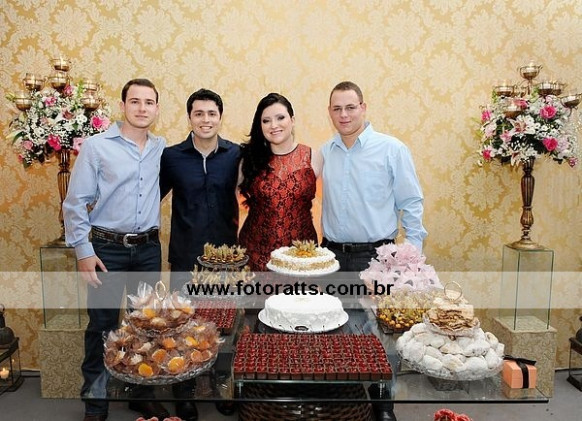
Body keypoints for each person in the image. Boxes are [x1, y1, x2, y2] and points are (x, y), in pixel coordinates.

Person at [320, 81, 427, 421]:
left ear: (363, 108)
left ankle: (383, 405)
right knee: (336, 329)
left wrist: (411, 259)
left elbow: (411, 203)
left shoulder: (391, 149)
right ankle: (344, 403)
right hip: (332, 257)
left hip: (377, 257)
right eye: (337, 108)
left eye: (350, 107)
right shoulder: (325, 152)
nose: (344, 115)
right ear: (330, 113)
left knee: (380, 335)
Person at [63, 79, 169, 421]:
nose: (142, 108)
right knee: (102, 327)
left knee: (146, 325)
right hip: (106, 250)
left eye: (149, 102)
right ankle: (96, 403)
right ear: (122, 106)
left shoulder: (161, 148)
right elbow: (75, 203)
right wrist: (83, 251)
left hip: (148, 249)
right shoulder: (97, 147)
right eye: (135, 101)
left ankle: (142, 394)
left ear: (157, 109)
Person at [159, 88, 241, 420]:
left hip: (226, 258)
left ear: (220, 117)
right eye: (199, 113)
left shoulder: (235, 154)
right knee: (182, 326)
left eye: (211, 113)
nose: (205, 120)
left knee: (223, 326)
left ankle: (222, 386)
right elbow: (147, 197)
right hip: (185, 254)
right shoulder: (171, 157)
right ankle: (184, 392)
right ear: (189, 117)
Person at [239, 93, 321, 271]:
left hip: (302, 257)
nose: (274, 125)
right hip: (256, 257)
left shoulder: (314, 157)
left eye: (280, 118)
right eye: (266, 121)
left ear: (292, 120)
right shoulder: (249, 159)